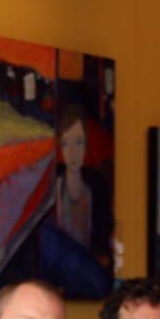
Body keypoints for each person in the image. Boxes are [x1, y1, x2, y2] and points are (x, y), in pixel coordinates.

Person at [55, 105, 93, 249]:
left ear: (85, 147)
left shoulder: (87, 193)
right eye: (66, 143)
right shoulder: (59, 186)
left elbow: (88, 235)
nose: (72, 152)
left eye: (78, 142)